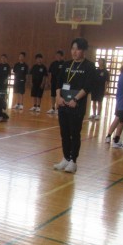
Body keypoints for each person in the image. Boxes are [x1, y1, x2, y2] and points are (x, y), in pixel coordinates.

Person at [53, 38, 96, 173]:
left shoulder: (89, 66)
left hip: (76, 106)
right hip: (63, 104)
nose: (74, 52)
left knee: (74, 133)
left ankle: (73, 161)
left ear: (83, 50)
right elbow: (58, 83)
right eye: (72, 49)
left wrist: (75, 100)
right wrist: (58, 97)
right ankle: (66, 158)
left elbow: (87, 86)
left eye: (77, 49)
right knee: (64, 133)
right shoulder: (67, 65)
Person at [47, 50, 66, 114]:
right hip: (53, 81)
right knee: (53, 95)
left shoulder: (64, 64)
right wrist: (49, 81)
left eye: (59, 56)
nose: (57, 57)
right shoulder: (53, 63)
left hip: (61, 83)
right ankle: (53, 107)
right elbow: (50, 73)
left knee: (60, 95)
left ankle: (58, 108)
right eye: (56, 55)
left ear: (62, 56)